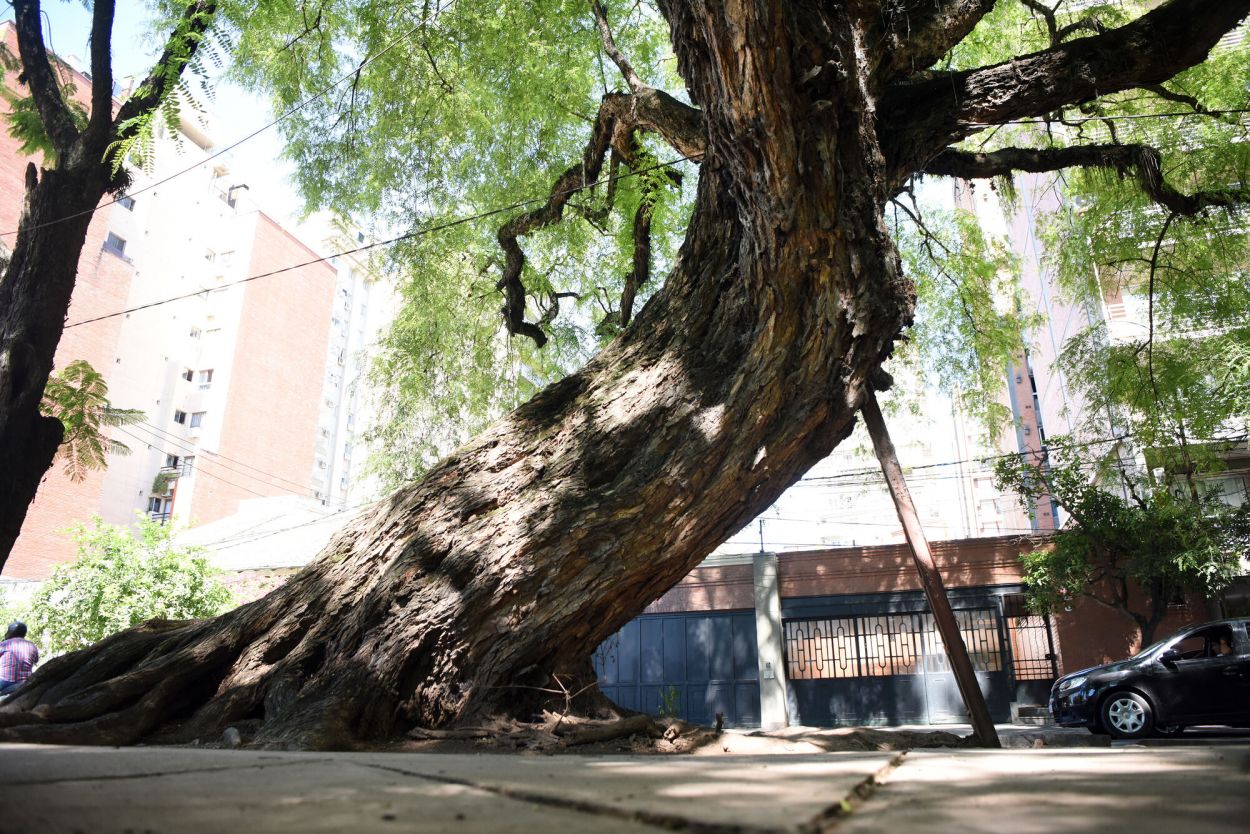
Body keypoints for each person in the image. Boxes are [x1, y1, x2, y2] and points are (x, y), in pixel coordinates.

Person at [0, 621, 39, 695]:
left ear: (10, 632)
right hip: (24, 682)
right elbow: (36, 660)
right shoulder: (32, 646)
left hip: (5, 682)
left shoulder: (4, 644)